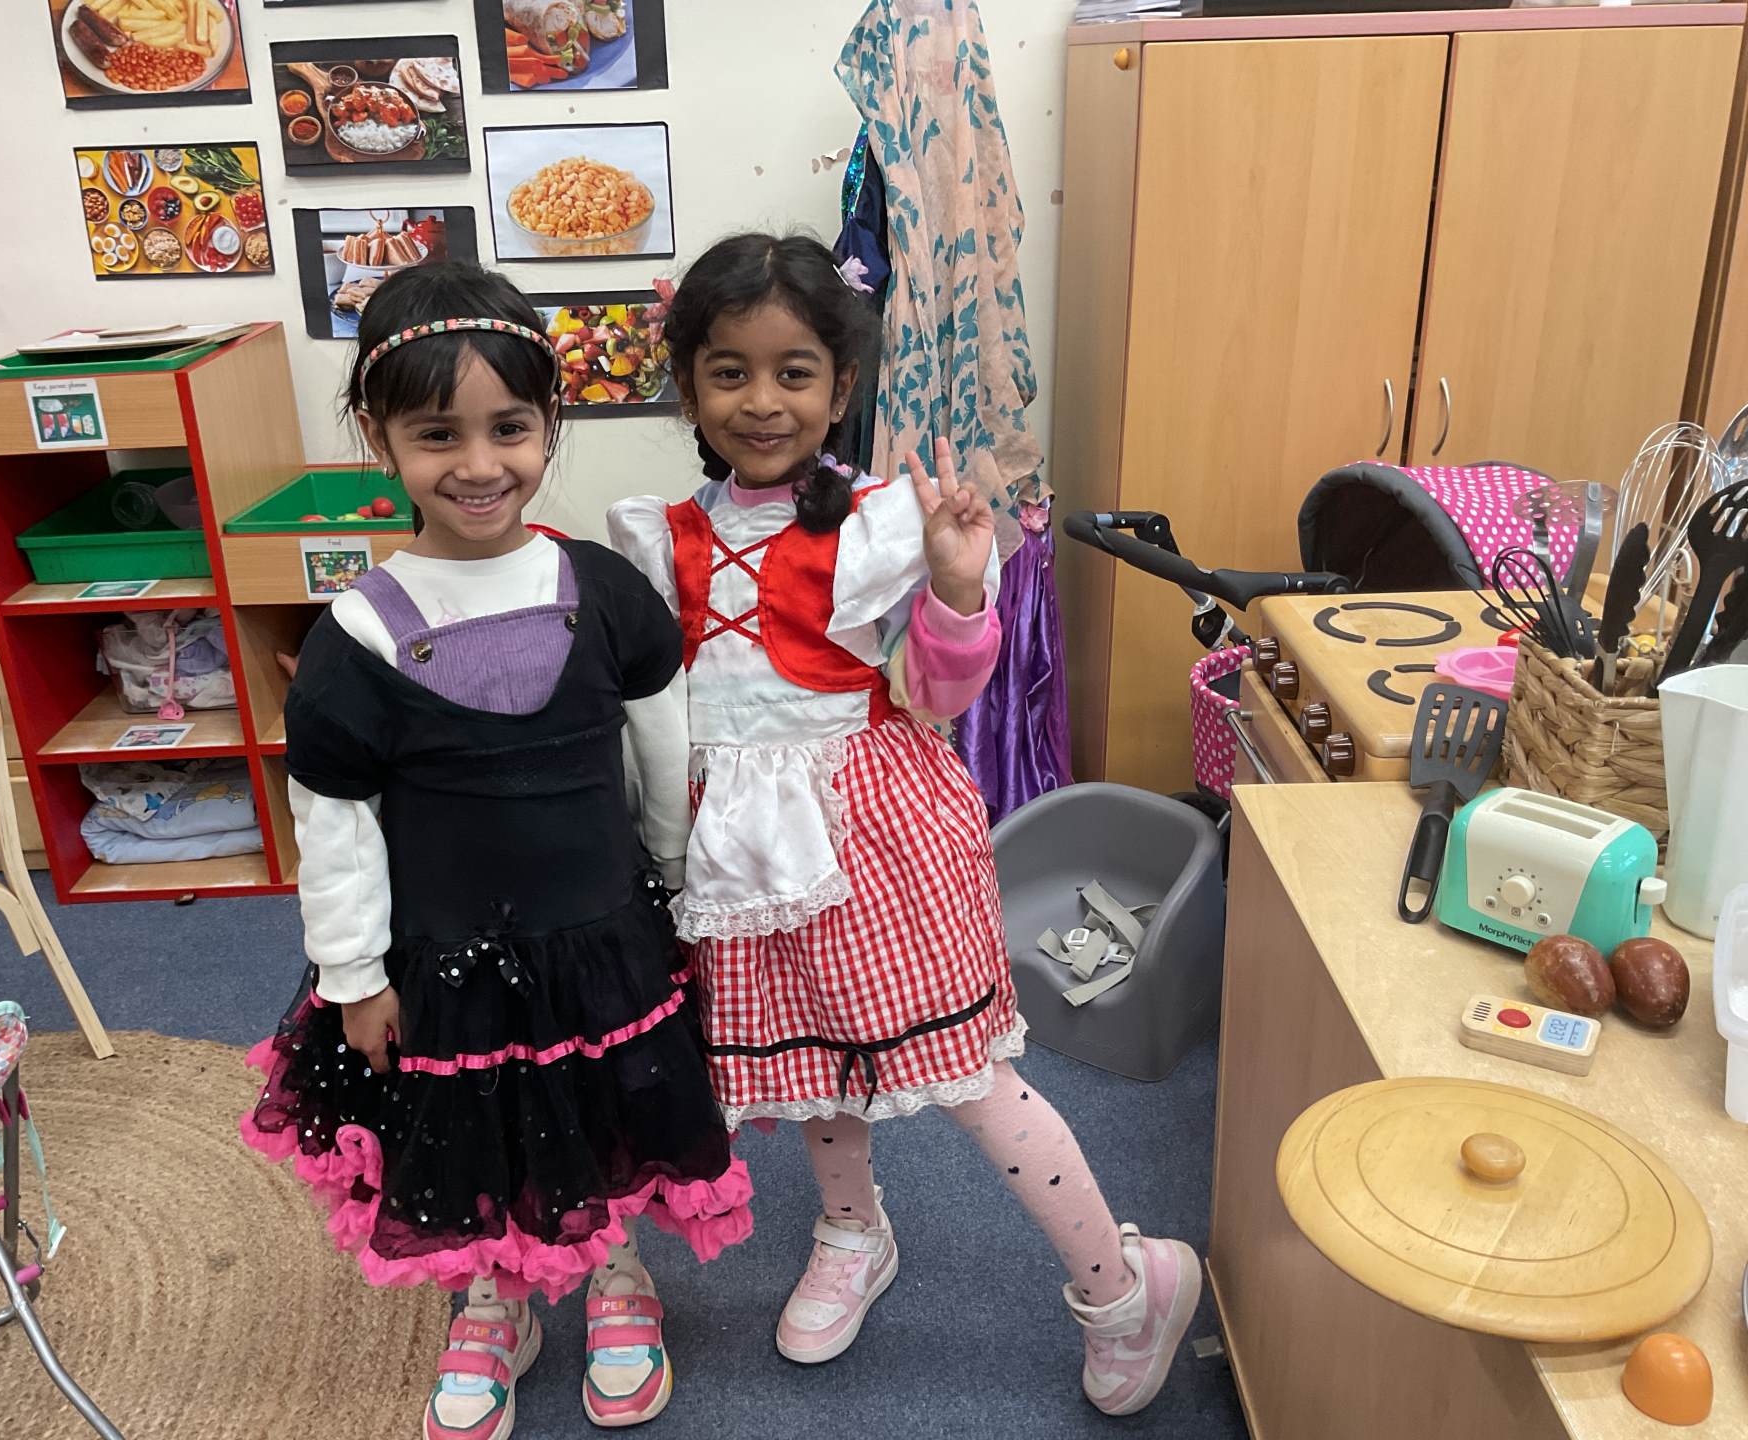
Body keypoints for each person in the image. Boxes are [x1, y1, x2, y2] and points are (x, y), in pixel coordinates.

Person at [607, 233, 1198, 1417]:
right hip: (732, 850)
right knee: (812, 1057)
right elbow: (651, 706)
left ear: (840, 387)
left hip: (875, 831)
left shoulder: (884, 521)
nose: (762, 400)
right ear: (688, 385)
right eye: (729, 371)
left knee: (971, 1077)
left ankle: (1127, 1286)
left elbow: (936, 695)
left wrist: (958, 588)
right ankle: (852, 1228)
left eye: (794, 372)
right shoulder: (652, 535)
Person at [244, 261, 752, 1440]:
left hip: (606, 938)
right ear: (380, 435)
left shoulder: (607, 591)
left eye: (509, 428)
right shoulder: (354, 637)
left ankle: (617, 1275)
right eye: (438, 434)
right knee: (473, 1131)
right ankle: (492, 1295)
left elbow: (661, 752)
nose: (479, 464)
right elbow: (335, 825)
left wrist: (682, 890)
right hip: (444, 962)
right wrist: (352, 975)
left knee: (610, 1112)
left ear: (547, 425)